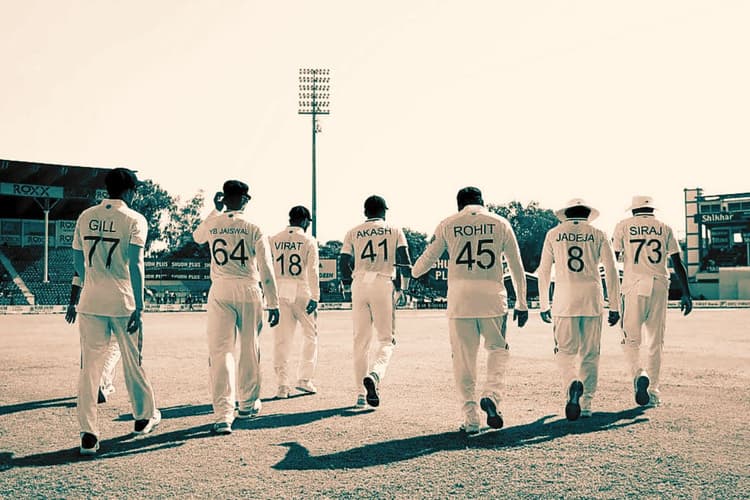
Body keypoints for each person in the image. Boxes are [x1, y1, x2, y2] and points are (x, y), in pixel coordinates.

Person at [411, 187, 529, 434]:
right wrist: (522, 303)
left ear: (459, 204)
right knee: (498, 349)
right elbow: (516, 266)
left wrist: (413, 270)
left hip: (460, 299)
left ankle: (471, 418)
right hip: (493, 297)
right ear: (482, 202)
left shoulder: (448, 223)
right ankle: (492, 395)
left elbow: (423, 264)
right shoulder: (500, 223)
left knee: (463, 360)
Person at [71, 167, 160, 456]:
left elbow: (77, 260)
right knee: (133, 362)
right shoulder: (134, 219)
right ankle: (143, 418)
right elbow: (136, 264)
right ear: (130, 191)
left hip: (91, 301)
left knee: (89, 369)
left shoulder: (86, 216)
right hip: (123, 301)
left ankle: (88, 434)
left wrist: (92, 281)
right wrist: (140, 305)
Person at [192, 180, 279, 435]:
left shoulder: (214, 223)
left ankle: (223, 415)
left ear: (224, 197)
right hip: (248, 287)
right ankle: (248, 404)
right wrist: (273, 302)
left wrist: (215, 210)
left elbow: (197, 237)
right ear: (243, 199)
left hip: (220, 288)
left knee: (221, 352)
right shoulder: (254, 226)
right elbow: (266, 267)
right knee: (250, 348)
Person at [536, 199, 621, 420]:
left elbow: (543, 271)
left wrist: (544, 303)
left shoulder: (554, 234)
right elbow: (611, 270)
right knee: (590, 353)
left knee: (565, 352)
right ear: (588, 214)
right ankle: (586, 404)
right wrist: (615, 305)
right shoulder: (599, 233)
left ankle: (572, 382)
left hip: (564, 298)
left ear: (565, 214)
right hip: (592, 297)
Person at [612, 195, 692, 408]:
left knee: (630, 340)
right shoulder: (665, 228)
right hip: (659, 284)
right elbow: (677, 262)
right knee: (656, 341)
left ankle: (639, 374)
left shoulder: (623, 226)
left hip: (633, 285)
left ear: (633, 210)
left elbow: (613, 258)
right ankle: (653, 392)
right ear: (652, 210)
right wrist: (686, 293)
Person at [339, 195, 411, 408]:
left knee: (360, 341)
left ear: (365, 211)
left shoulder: (353, 231)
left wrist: (347, 284)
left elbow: (343, 262)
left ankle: (361, 396)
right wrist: (404, 288)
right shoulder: (394, 230)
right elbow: (405, 262)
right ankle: (375, 375)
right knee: (387, 340)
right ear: (384, 211)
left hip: (359, 283)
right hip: (382, 281)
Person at [269, 205, 320, 399]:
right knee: (310, 335)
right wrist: (315, 296)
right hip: (301, 289)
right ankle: (304, 380)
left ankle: (282, 386)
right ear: (305, 221)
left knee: (281, 339)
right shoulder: (308, 240)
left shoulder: (274, 239)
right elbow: (313, 271)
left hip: (280, 289)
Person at [66, 272, 122, 405]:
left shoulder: (86, 256)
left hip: (89, 304)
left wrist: (72, 303)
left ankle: (94, 384)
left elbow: (77, 276)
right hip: (115, 301)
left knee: (90, 349)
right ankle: (100, 382)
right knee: (114, 347)